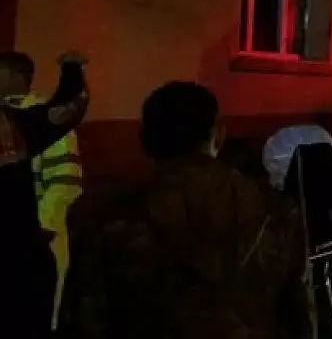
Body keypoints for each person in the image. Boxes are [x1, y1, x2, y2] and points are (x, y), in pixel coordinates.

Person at [59, 82, 311, 339]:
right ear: (218, 134)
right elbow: (296, 317)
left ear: (145, 140)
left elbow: (84, 321)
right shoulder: (274, 209)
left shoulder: (107, 217)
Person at [0, 50, 90, 339]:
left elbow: (64, 180)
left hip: (25, 248)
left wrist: (45, 226)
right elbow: (69, 108)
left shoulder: (18, 121)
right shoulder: (18, 122)